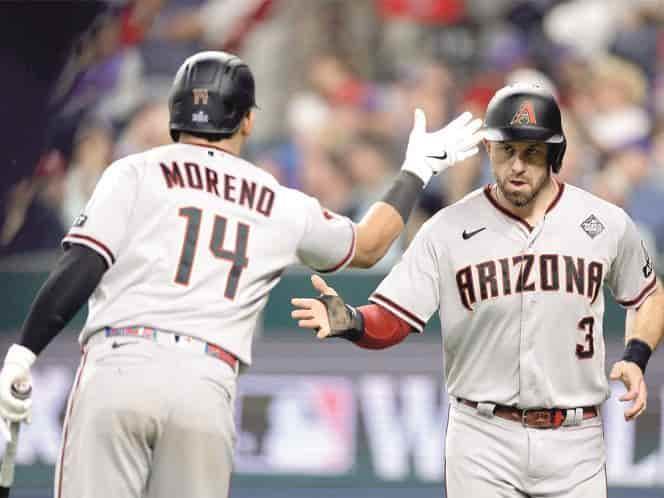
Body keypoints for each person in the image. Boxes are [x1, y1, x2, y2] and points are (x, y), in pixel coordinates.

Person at [0, 51, 482, 498]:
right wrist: (416, 170)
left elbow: (82, 264)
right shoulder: (276, 201)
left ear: (176, 111)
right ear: (248, 120)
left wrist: (24, 352)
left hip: (120, 363)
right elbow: (372, 243)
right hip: (206, 383)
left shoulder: (135, 172)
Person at [291, 83, 664, 498]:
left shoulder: (604, 223)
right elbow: (393, 317)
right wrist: (354, 322)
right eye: (506, 151)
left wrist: (636, 355)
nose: (517, 165)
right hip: (482, 436)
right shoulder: (447, 229)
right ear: (488, 151)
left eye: (531, 152)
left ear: (554, 155)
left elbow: (648, 295)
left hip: (575, 439)